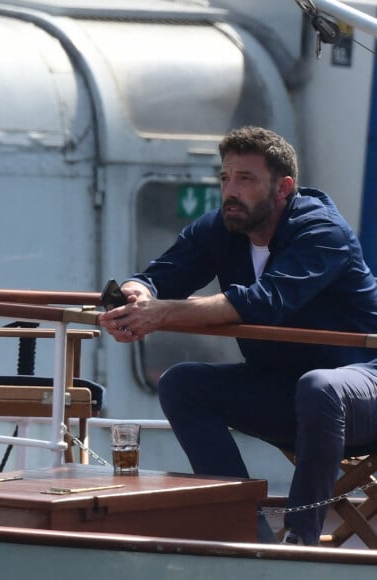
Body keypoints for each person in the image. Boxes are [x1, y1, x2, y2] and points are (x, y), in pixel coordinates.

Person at [98, 126, 377, 546]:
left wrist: (158, 315)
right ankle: (247, 533)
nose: (230, 189)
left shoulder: (323, 232)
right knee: (181, 384)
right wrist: (140, 293)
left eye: (245, 179)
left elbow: (264, 302)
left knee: (319, 387)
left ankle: (299, 545)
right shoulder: (220, 229)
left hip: (361, 387)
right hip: (291, 394)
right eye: (225, 177)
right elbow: (160, 277)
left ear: (283, 188)